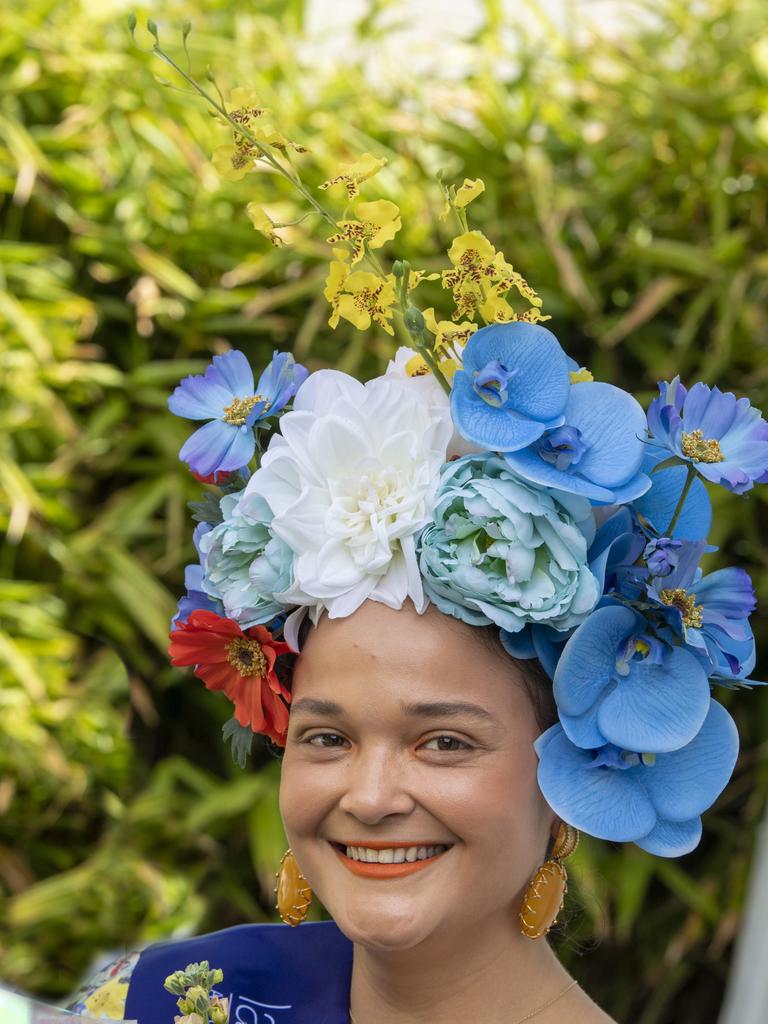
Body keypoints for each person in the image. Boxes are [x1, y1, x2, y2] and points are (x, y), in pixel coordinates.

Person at [65, 325, 766, 1023]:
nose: (369, 799)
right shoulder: (167, 999)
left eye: (444, 742)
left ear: (568, 780)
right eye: (327, 739)